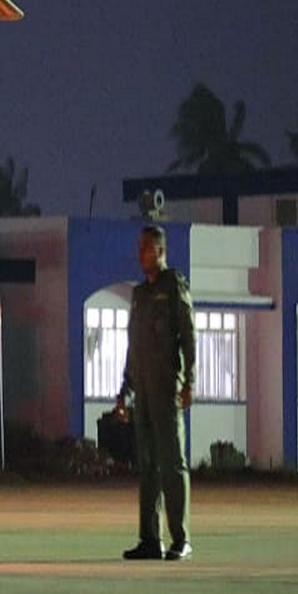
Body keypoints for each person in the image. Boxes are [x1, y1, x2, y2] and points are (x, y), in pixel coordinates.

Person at [115, 223, 196, 562]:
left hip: (167, 390)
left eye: (146, 248)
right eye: (139, 248)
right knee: (147, 466)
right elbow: (133, 347)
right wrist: (125, 391)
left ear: (160, 252)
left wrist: (189, 380)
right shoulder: (140, 294)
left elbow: (189, 336)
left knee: (171, 465)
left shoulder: (173, 286)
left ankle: (181, 539)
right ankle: (150, 539)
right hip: (143, 392)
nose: (140, 254)